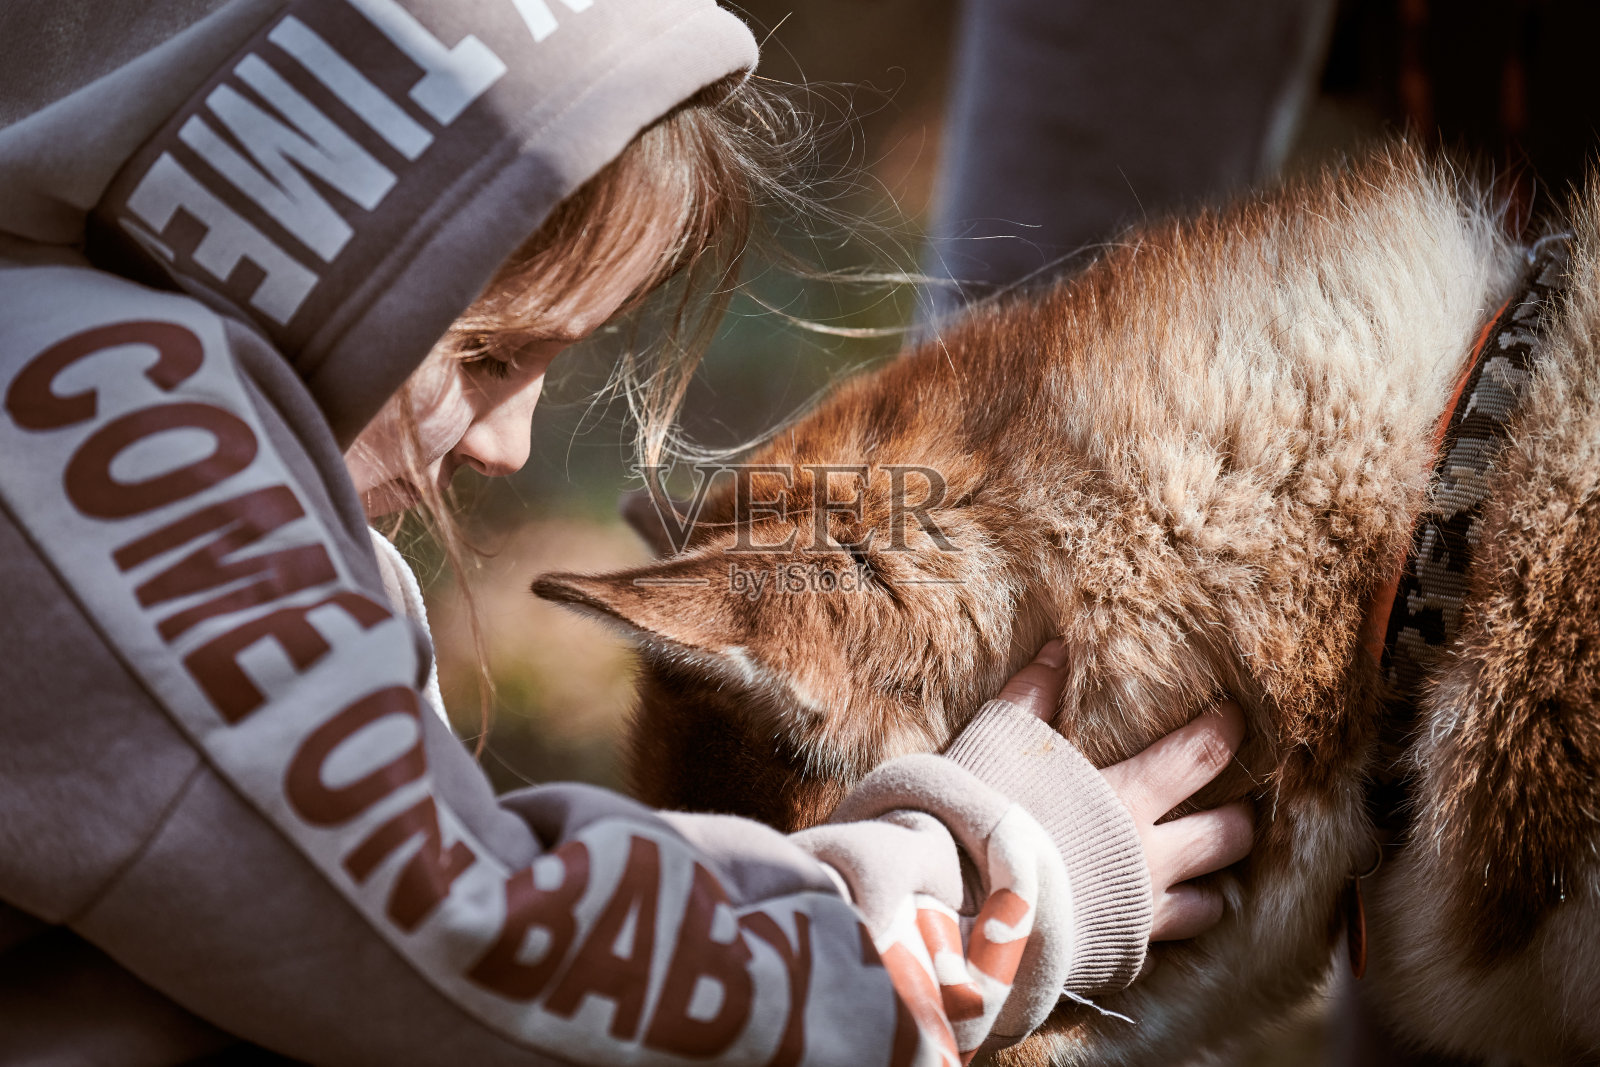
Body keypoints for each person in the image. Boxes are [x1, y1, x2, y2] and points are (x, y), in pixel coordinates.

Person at [0, 1, 1251, 1063]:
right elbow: (474, 939)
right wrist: (985, 888)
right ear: (288, 231)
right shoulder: (94, 422)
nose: (507, 447)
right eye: (485, 353)